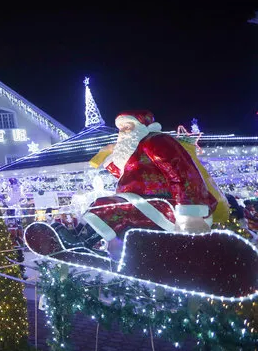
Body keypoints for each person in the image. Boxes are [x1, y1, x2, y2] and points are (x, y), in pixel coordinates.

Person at [57, 110, 218, 260]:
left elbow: (183, 172)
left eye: (127, 126)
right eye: (120, 128)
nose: (122, 132)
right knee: (118, 218)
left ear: (142, 127)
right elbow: (130, 178)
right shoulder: (136, 150)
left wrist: (190, 212)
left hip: (168, 205)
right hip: (145, 205)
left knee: (105, 206)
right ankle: (104, 249)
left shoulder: (155, 141)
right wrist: (110, 158)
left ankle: (80, 242)